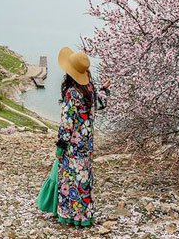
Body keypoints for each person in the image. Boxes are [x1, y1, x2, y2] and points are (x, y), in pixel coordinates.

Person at [36, 47, 111, 227]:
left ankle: (69, 216)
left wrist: (60, 146)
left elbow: (67, 124)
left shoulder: (72, 93)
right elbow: (100, 103)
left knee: (69, 180)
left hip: (72, 147)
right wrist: (105, 90)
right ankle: (84, 217)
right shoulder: (89, 90)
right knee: (83, 179)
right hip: (86, 146)